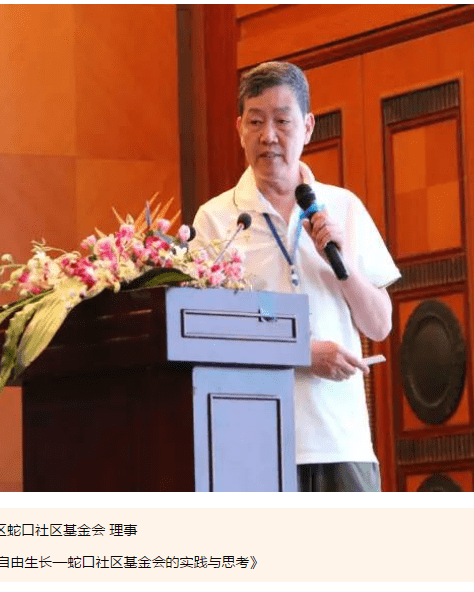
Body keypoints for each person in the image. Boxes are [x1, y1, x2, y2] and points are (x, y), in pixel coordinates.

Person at [193, 61, 401, 491]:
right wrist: (302, 353)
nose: (268, 136)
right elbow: (205, 331)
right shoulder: (216, 219)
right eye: (256, 121)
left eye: (282, 121)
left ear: (307, 127)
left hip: (341, 439)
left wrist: (344, 267)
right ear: (239, 128)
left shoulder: (343, 206)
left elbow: (380, 325)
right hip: (253, 440)